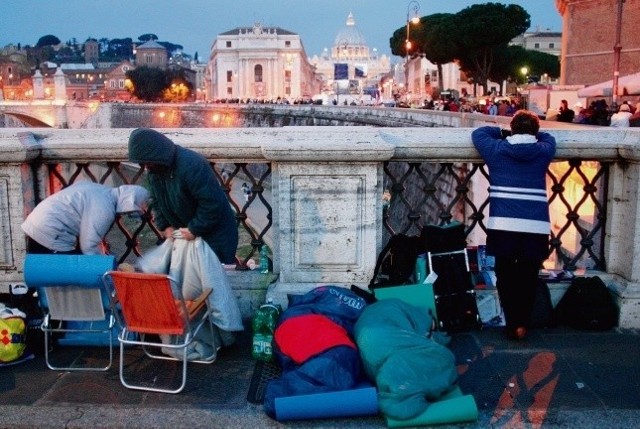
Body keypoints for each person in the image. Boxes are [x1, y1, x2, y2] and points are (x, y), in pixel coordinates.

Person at [471, 110, 556, 340]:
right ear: (534, 132)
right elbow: (549, 138)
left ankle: (513, 323)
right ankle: (522, 323)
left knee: (505, 273)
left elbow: (479, 133)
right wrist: (533, 134)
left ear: (513, 127)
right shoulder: (543, 150)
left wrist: (502, 131)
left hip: (504, 222)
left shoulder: (496, 150)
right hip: (535, 224)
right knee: (528, 274)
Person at [128, 128, 238, 264]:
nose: (146, 167)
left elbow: (212, 203)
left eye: (147, 162)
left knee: (212, 280)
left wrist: (194, 229)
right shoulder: (155, 170)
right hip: (187, 236)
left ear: (156, 155)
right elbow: (156, 201)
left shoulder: (192, 165)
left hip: (215, 237)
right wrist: (165, 226)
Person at [21, 181, 150, 255]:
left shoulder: (99, 190)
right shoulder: (105, 208)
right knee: (65, 276)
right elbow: (89, 247)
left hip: (35, 222)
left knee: (41, 274)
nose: (124, 215)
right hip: (51, 230)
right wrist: (107, 267)